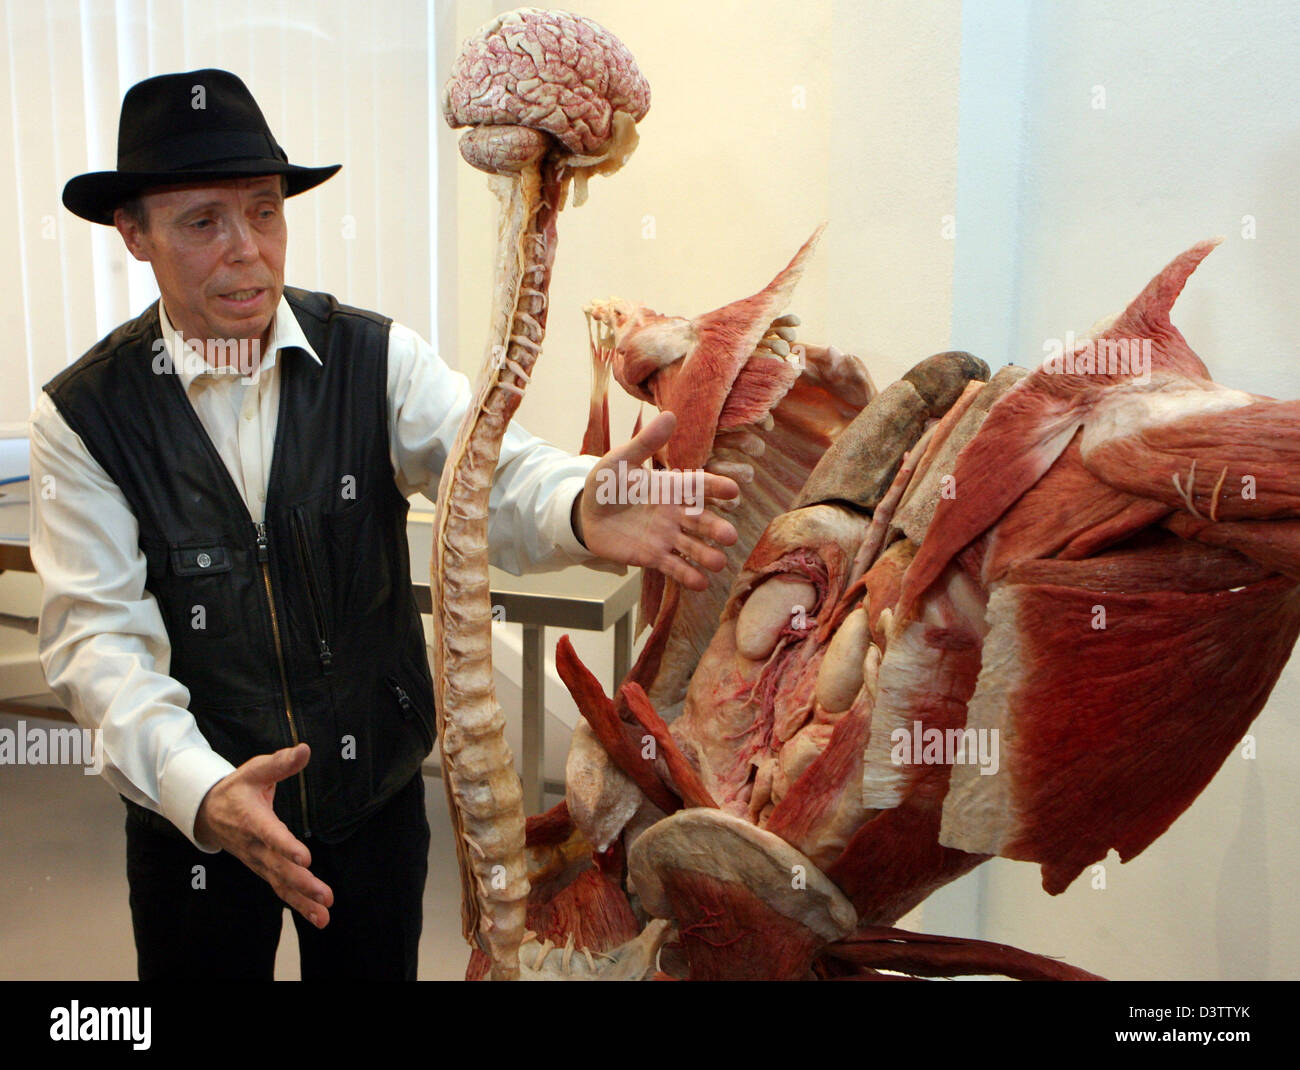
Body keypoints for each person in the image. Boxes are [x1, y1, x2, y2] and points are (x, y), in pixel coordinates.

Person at [31, 69, 739, 980]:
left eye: (264, 210)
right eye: (203, 221)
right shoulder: (88, 417)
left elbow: (487, 463)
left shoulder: (372, 358)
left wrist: (574, 502)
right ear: (135, 233)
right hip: (195, 830)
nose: (246, 250)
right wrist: (202, 790)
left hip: (372, 811)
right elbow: (97, 644)